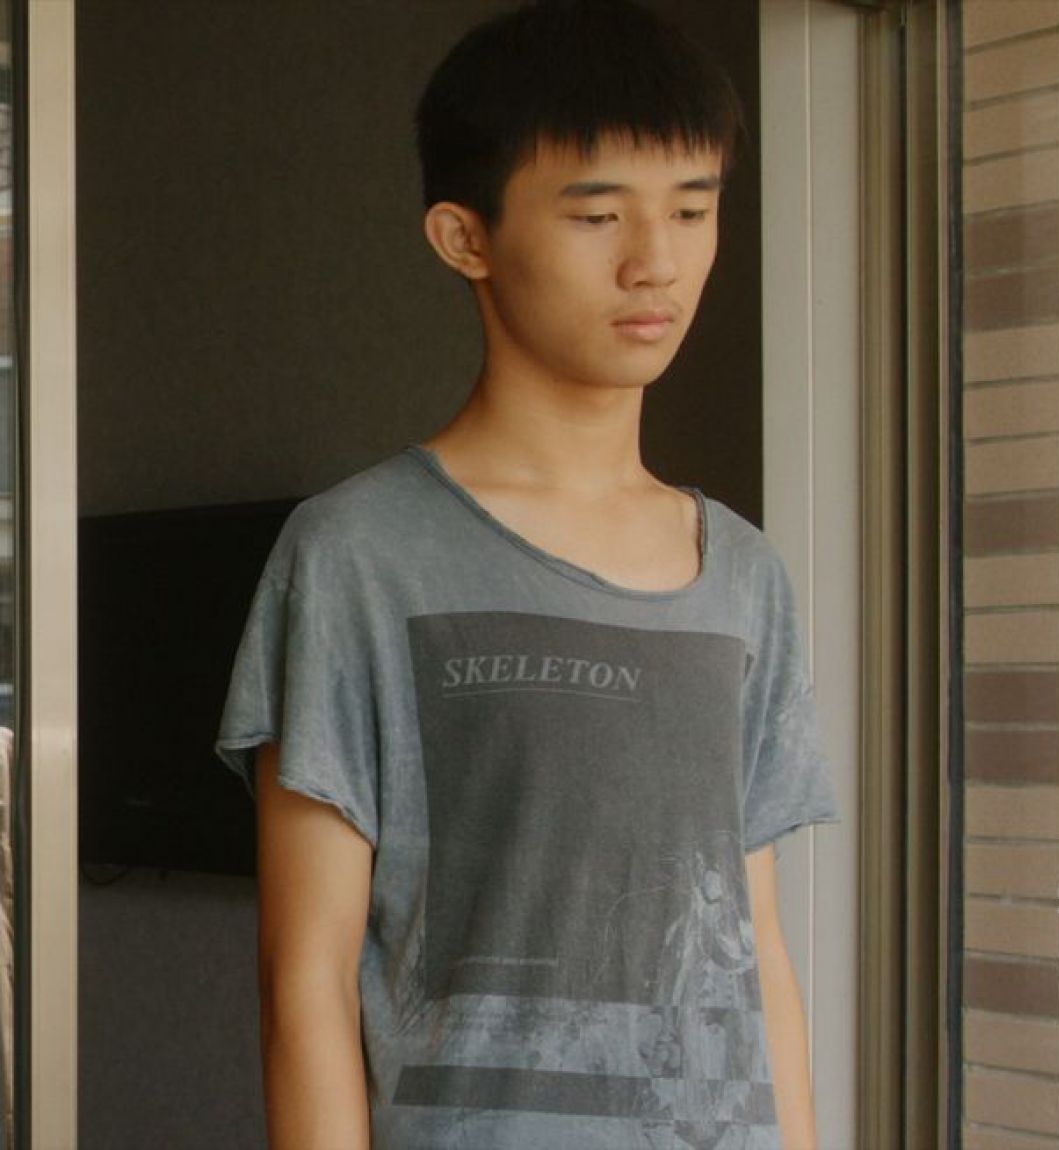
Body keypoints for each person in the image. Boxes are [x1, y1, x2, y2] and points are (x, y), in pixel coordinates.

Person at [216, 2, 840, 1147]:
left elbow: (754, 949)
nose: (655, 261)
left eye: (691, 209)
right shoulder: (356, 556)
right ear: (465, 238)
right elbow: (302, 978)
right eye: (597, 214)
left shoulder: (744, 574)